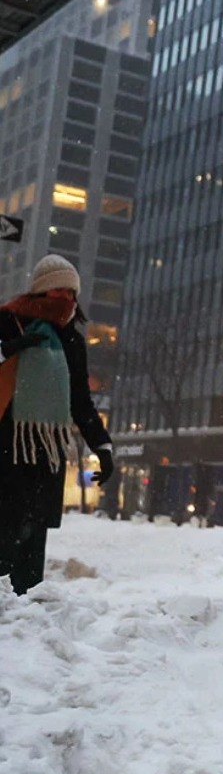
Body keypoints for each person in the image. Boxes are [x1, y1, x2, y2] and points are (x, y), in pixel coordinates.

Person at [0, 254, 114, 595]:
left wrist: (103, 447)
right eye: (57, 291)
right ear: (40, 292)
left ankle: (27, 613)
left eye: (71, 293)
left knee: (33, 536)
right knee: (4, 531)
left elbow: (80, 401)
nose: (66, 299)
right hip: (6, 447)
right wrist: (9, 348)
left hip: (45, 453)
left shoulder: (72, 341)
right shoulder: (7, 322)